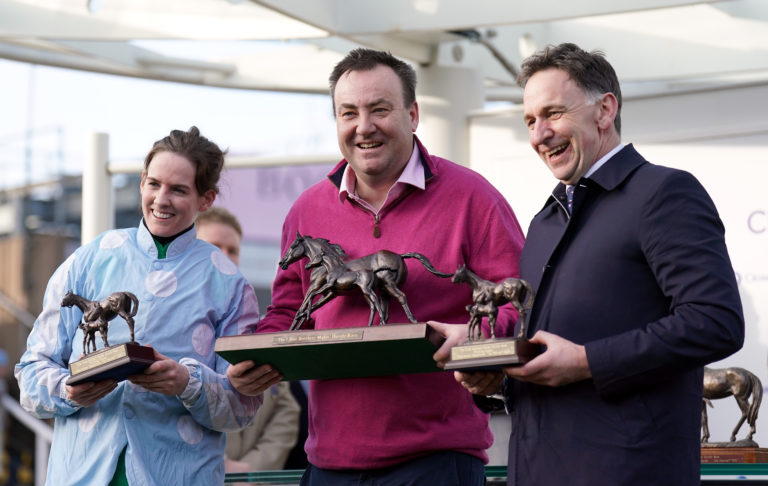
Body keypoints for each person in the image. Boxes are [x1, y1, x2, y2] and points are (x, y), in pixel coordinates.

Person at [435, 42, 745, 485]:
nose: (539, 134)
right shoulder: (545, 220)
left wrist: (588, 361)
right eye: (529, 121)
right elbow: (545, 355)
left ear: (605, 110)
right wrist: (495, 374)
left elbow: (717, 321)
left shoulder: (664, 193)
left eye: (554, 113)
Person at [227, 48, 526, 485]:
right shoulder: (305, 211)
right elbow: (289, 314)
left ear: (413, 114)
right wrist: (259, 358)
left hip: (436, 463)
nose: (363, 127)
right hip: (328, 465)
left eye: (379, 109)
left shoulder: (474, 198)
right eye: (348, 113)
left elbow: (520, 301)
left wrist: (478, 337)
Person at [15, 126, 280, 486]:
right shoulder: (87, 261)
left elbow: (243, 407)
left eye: (179, 190)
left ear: (206, 199)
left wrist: (188, 384)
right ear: (141, 182)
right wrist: (67, 389)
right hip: (79, 473)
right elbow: (31, 372)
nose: (161, 199)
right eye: (154, 183)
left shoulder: (230, 285)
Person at [196, 207, 301, 472]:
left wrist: (250, 469)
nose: (226, 256)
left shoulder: (256, 324)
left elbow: (286, 411)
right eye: (214, 246)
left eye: (232, 250)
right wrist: (216, 464)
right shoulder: (170, 324)